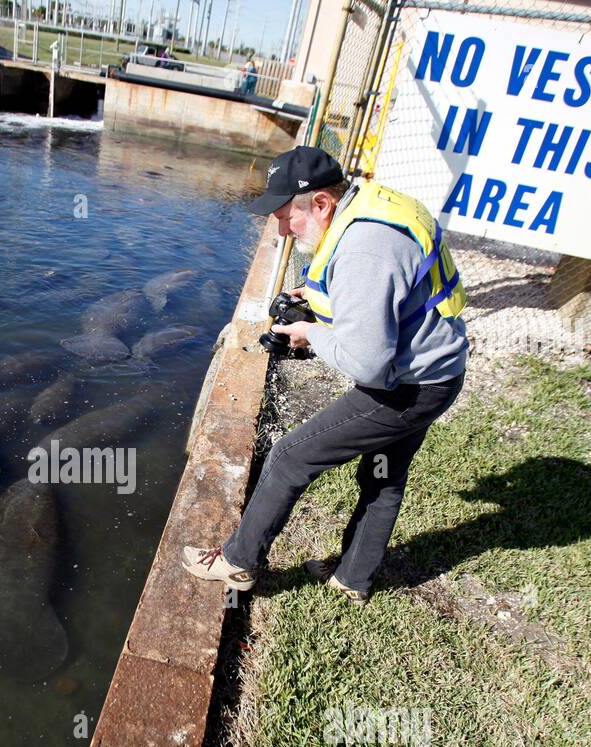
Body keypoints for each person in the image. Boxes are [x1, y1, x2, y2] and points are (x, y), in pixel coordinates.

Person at [181, 146, 468, 604]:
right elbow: (382, 295)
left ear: (320, 203)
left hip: (408, 387)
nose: (279, 229)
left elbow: (368, 361)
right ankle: (352, 577)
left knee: (290, 457)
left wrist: (309, 334)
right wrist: (320, 297)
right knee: (384, 476)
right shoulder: (371, 208)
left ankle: (238, 564)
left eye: (283, 216)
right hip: (437, 368)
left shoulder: (366, 249)